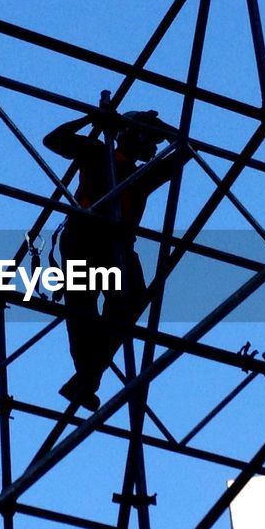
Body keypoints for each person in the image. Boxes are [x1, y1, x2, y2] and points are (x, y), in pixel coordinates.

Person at [43, 108, 188, 409]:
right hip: (85, 236)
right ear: (132, 136)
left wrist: (159, 126)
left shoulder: (142, 176)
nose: (153, 148)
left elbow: (185, 150)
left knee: (130, 303)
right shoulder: (96, 152)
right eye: (150, 140)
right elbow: (53, 140)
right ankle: (86, 378)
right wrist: (93, 119)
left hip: (117, 246)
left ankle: (86, 378)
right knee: (82, 310)